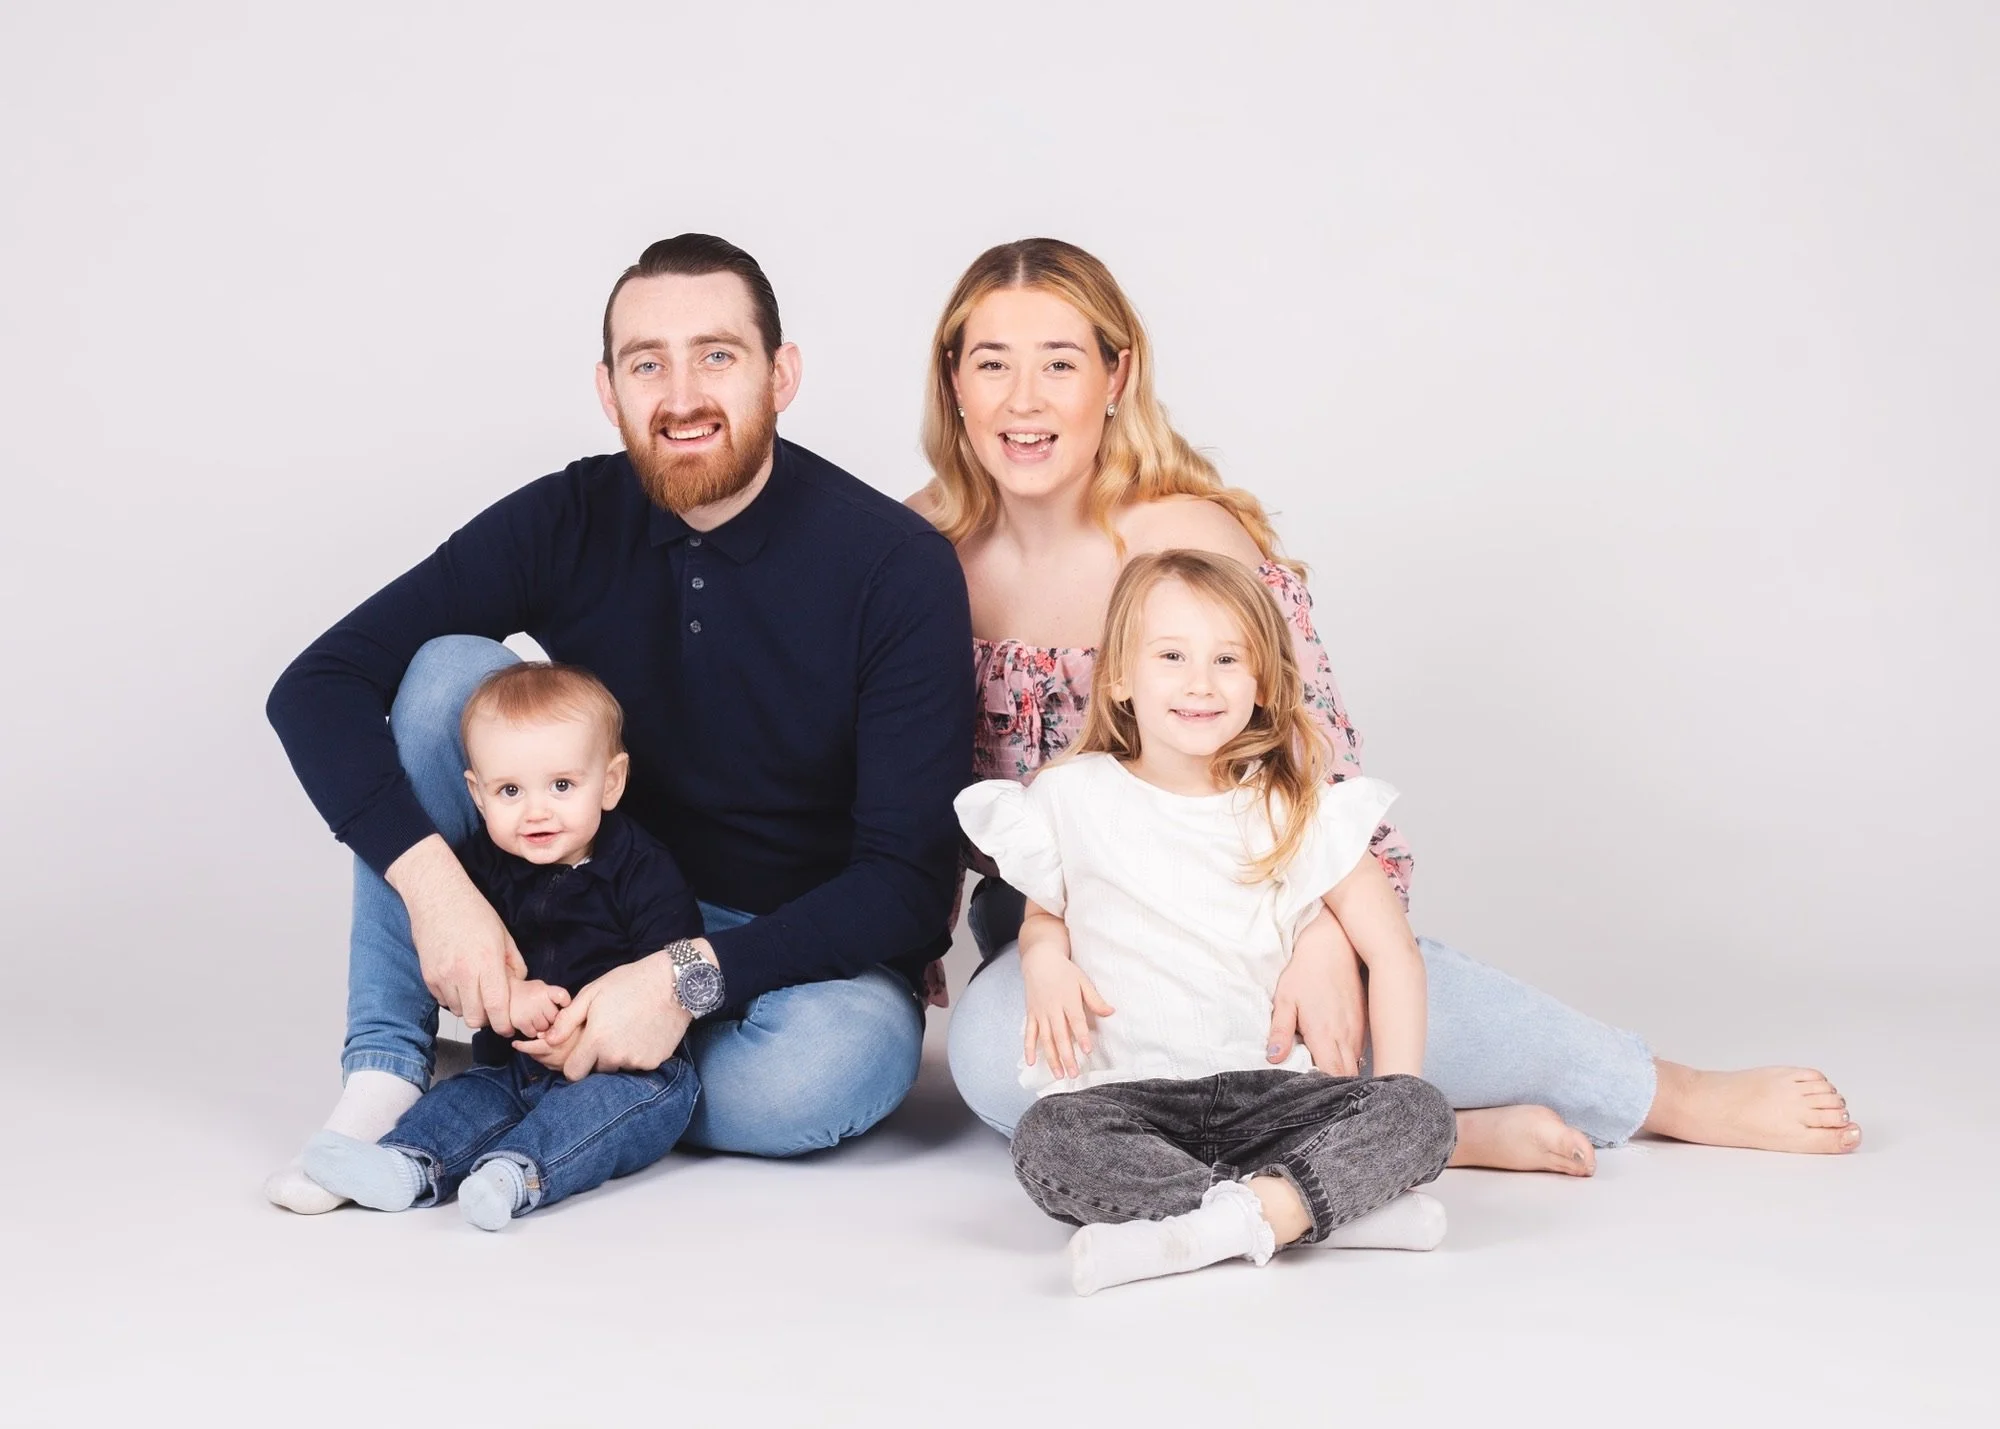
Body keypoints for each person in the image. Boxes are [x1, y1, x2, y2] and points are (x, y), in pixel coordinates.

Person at [916, 237, 1861, 1171]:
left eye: (1060, 363)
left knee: (1327, 986)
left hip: (1247, 889)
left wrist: (1326, 933)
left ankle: (1658, 1091)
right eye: (993, 363)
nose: (1024, 399)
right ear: (954, 379)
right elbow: (898, 785)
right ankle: (1428, 1137)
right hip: (1064, 916)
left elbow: (1313, 755)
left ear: (1116, 376)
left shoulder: (1191, 541)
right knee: (999, 1061)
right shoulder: (916, 550)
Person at [264, 234, 972, 1213]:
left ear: (781, 374)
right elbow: (317, 684)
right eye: (647, 364)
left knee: (832, 1066)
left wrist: (679, 981)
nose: (681, 396)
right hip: (584, 908)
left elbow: (906, 886)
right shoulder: (569, 515)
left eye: (716, 355)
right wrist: (440, 895)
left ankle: (528, 1078)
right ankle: (389, 1074)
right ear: (609, 390)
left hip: (783, 955)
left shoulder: (895, 565)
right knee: (443, 676)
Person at [960, 551, 1456, 1295]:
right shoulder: (1068, 795)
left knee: (1419, 1112)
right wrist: (1043, 962)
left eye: (1228, 659)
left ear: (1263, 684)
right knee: (1047, 1139)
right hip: (1130, 1096)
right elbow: (1043, 918)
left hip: (1275, 1096)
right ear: (1119, 677)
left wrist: (1392, 1093)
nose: (1201, 682)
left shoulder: (1295, 806)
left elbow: (1394, 955)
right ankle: (1304, 1211)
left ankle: (1206, 1230)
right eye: (1171, 656)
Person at [304, 663, 702, 1230]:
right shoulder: (481, 869)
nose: (536, 811)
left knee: (591, 1116)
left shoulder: (643, 868)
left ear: (611, 783)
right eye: (510, 791)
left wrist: (595, 1031)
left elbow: (674, 971)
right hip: (515, 1064)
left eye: (562, 786)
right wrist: (508, 996)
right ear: (478, 794)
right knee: (465, 1101)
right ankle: (405, 1165)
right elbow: (452, 965)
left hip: (631, 1073)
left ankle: (517, 1175)